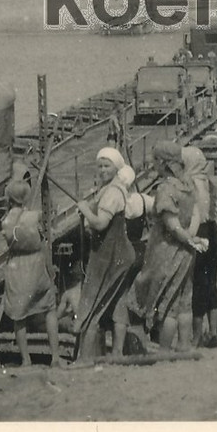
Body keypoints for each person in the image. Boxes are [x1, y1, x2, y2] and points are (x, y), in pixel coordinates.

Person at [121, 141, 207, 353]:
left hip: (168, 249)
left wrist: (185, 237)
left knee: (168, 301)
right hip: (187, 251)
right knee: (184, 299)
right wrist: (193, 238)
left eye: (154, 162)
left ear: (162, 163)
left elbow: (171, 224)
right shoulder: (187, 186)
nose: (153, 166)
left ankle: (165, 347)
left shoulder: (165, 188)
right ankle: (184, 343)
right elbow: (196, 213)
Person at [73, 147, 139, 359]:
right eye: (99, 166)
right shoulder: (112, 188)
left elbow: (101, 224)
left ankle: (84, 358)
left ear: (116, 167)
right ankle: (117, 352)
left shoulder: (112, 192)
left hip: (110, 256)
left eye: (107, 166)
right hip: (121, 254)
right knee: (119, 302)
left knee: (91, 304)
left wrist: (84, 209)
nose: (102, 170)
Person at [1, 178, 62, 367]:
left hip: (17, 266)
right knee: (49, 309)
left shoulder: (6, 222)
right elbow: (49, 229)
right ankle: (55, 357)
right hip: (37, 263)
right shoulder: (35, 216)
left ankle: (26, 359)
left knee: (19, 316)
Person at [190, 149, 217, 347]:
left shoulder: (190, 184)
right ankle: (213, 332)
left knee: (198, 285)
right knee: (211, 283)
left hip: (199, 232)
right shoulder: (210, 181)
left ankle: (196, 336)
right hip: (213, 230)